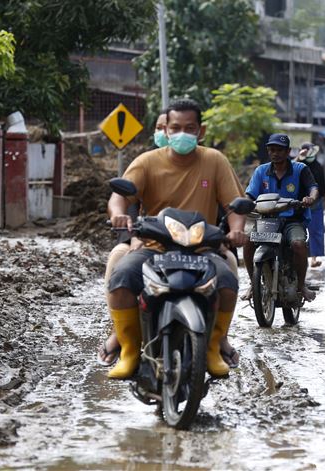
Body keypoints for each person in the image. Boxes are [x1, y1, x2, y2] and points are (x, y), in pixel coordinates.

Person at [106, 99, 248, 379]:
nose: (182, 133)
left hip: (202, 248)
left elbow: (233, 205)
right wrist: (118, 214)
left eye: (189, 127)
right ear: (166, 130)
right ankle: (130, 351)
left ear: (201, 130)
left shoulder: (215, 160)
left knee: (228, 283)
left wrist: (236, 229)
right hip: (154, 248)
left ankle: (213, 346)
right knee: (121, 278)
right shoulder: (146, 162)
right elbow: (119, 197)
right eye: (175, 127)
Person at [97, 112, 170, 366]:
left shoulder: (206, 164)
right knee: (118, 255)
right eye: (160, 127)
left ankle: (217, 340)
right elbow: (127, 205)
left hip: (193, 242)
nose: (166, 132)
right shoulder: (145, 164)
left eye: (168, 127)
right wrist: (132, 236)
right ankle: (120, 330)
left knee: (226, 264)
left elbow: (220, 210)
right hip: (147, 239)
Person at [243, 134, 319, 302]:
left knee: (299, 245)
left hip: (293, 220)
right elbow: (250, 194)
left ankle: (301, 286)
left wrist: (310, 198)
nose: (275, 153)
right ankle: (252, 283)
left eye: (279, 150)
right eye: (271, 150)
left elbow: (313, 187)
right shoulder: (261, 171)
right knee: (248, 242)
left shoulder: (300, 169)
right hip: (267, 220)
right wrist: (247, 203)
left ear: (288, 151)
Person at [297, 142, 325, 268]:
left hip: (316, 203)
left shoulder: (318, 166)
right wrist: (299, 157)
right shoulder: (298, 166)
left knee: (316, 231)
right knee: (298, 231)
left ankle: (313, 259)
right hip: (299, 203)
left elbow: (322, 186)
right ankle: (299, 259)